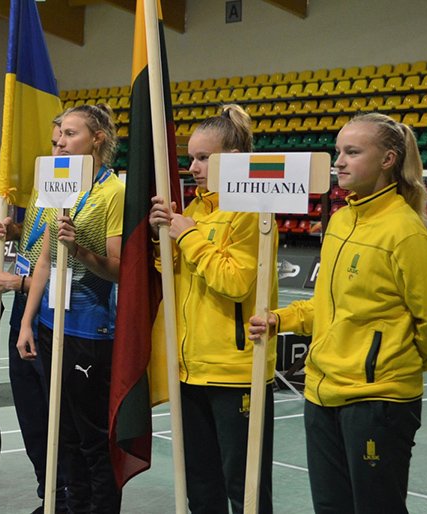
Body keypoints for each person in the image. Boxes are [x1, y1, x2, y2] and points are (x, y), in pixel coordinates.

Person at [249, 113, 427, 513]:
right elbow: (327, 304)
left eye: (352, 152)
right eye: (338, 151)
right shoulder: (341, 221)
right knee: (330, 507)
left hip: (377, 402)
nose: (338, 161)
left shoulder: (405, 232)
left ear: (388, 160)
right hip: (321, 395)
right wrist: (281, 320)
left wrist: (393, 364)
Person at [149, 105, 275, 513]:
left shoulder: (253, 210)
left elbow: (236, 283)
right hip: (190, 370)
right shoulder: (197, 210)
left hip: (235, 374)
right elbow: (176, 278)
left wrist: (187, 237)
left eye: (204, 158)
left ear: (233, 158)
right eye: (192, 157)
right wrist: (162, 238)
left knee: (246, 491)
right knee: (200, 487)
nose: (193, 167)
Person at [17, 104, 124, 513]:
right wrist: (27, 322)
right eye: (59, 134)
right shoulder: (54, 181)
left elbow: (118, 270)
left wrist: (77, 247)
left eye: (71, 134)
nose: (61, 141)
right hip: (49, 325)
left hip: (90, 329)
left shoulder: (112, 191)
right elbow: (44, 261)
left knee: (93, 438)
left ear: (97, 138)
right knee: (63, 436)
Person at [0, 118, 66, 512]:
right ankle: (46, 492)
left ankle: (67, 495)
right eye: (53, 141)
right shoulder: (43, 188)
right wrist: (13, 229)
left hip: (58, 312)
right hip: (25, 306)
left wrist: (17, 285)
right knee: (31, 413)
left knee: (58, 416)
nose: (57, 149)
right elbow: (36, 242)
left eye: (66, 139)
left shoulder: (87, 195)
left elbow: (67, 270)